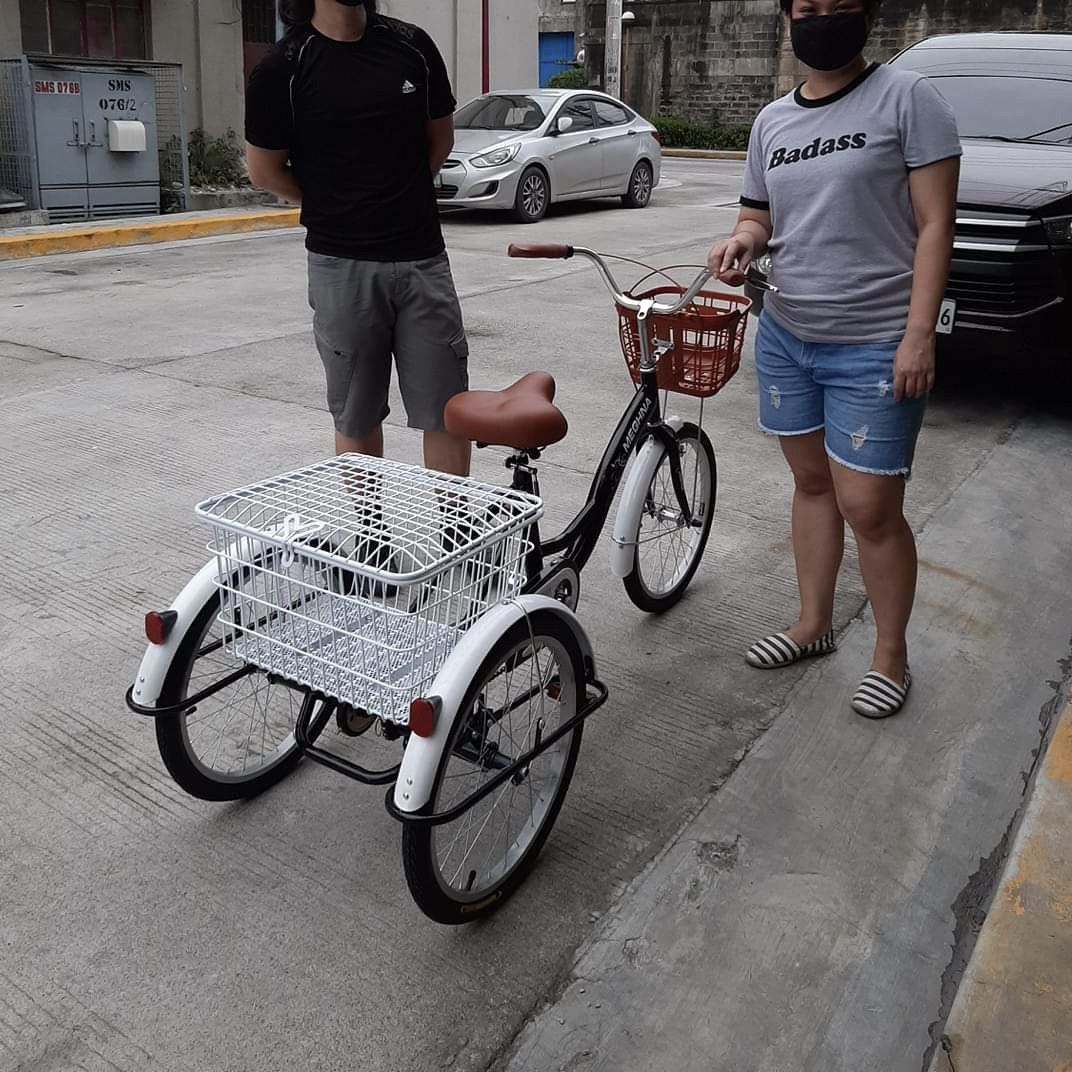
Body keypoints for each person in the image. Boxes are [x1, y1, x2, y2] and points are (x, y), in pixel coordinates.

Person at [707, 0, 960, 718]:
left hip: (877, 339)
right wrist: (742, 241)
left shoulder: (909, 100)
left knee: (870, 506)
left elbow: (937, 222)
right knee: (812, 484)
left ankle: (890, 655)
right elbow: (757, 214)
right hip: (787, 333)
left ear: (868, 13)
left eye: (838, 5)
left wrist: (919, 334)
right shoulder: (772, 122)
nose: (821, 19)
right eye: (807, 7)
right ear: (789, 16)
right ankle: (813, 624)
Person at [245, 0, 471, 477]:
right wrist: (333, 203)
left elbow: (441, 139)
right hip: (340, 265)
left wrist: (399, 193)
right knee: (356, 412)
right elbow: (263, 170)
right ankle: (371, 547)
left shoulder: (413, 46)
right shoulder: (282, 67)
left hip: (422, 259)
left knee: (448, 412)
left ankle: (455, 544)